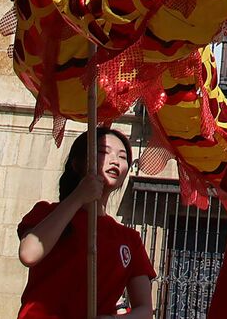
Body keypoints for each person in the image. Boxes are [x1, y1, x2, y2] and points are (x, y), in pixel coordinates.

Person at [16, 127, 155, 319]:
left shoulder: (130, 239)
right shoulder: (47, 213)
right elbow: (28, 254)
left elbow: (145, 310)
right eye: (103, 152)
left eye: (123, 157)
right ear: (77, 163)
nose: (115, 160)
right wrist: (78, 197)